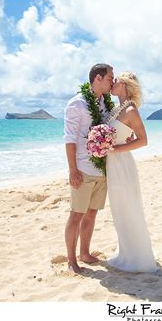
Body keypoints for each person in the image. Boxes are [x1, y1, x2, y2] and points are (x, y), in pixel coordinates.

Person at [63, 64, 114, 273]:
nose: (113, 81)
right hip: (83, 168)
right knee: (76, 214)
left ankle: (85, 253)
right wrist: (72, 170)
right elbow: (70, 139)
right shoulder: (77, 104)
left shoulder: (106, 104)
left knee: (92, 213)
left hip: (101, 169)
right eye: (111, 78)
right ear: (99, 78)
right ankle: (71, 260)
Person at [106, 72, 158, 272]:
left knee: (129, 207)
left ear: (125, 85)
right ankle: (126, 252)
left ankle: (139, 258)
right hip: (113, 164)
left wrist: (116, 150)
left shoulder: (130, 110)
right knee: (119, 210)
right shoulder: (116, 109)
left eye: (116, 80)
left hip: (122, 164)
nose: (112, 82)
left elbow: (143, 140)